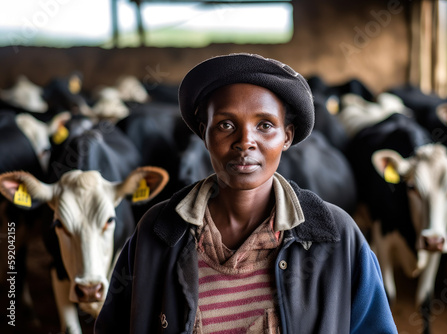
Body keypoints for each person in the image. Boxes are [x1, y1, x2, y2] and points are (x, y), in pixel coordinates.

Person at [94, 53, 397, 333]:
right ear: (204, 133)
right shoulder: (158, 232)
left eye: (265, 125)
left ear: (287, 137)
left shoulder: (336, 237)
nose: (245, 141)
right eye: (226, 124)